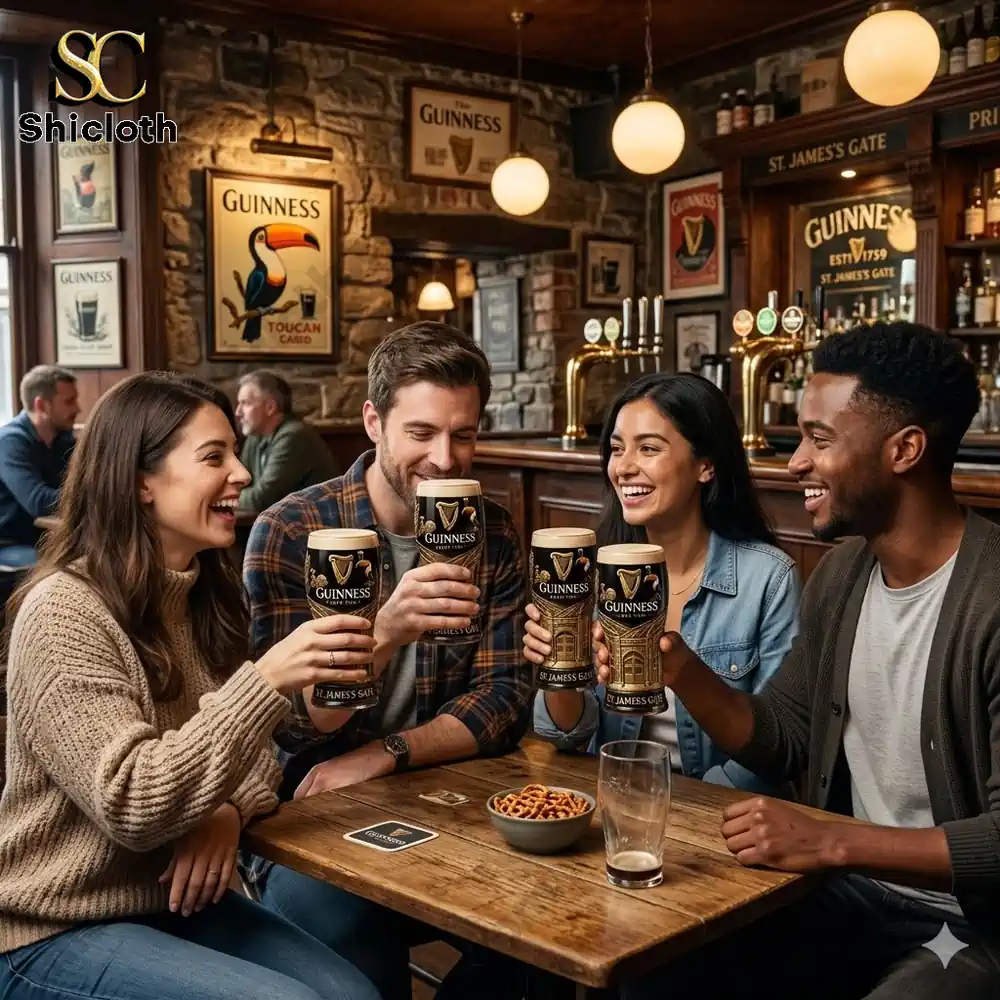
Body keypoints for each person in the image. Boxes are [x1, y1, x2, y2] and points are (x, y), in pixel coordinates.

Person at [604, 323, 1000, 999]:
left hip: (964, 928)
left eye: (819, 440)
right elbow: (781, 737)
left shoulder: (989, 598)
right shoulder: (843, 574)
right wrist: (680, 667)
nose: (794, 463)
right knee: (646, 963)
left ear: (904, 449)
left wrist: (833, 842)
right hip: (846, 897)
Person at [0, 371, 381, 1000]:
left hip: (170, 904)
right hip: (52, 925)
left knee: (353, 995)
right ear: (138, 482)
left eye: (235, 450)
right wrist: (263, 681)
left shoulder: (202, 593)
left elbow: (261, 755)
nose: (242, 474)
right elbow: (134, 800)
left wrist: (226, 809)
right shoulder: (64, 611)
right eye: (214, 457)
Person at [243, 320, 532, 1000]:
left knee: (544, 955)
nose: (446, 458)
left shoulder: (490, 529)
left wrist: (387, 752)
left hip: (452, 802)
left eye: (463, 434)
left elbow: (502, 700)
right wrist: (385, 632)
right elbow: (289, 726)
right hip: (316, 817)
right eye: (422, 433)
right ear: (374, 422)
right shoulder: (293, 529)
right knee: (353, 972)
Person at [527, 372, 800, 793]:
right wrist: (558, 666)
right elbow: (566, 733)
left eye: (649, 448)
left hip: (718, 815)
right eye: (617, 449)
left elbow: (776, 748)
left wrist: (678, 806)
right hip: (613, 799)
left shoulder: (768, 579)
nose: (624, 467)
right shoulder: (595, 575)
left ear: (705, 465)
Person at [0, 365, 78, 568]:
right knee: (66, 568)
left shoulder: (63, 440)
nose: (78, 409)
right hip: (9, 544)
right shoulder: (9, 442)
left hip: (49, 539)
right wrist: (93, 495)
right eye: (69, 402)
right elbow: (38, 501)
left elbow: (85, 481)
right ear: (41, 405)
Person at [235, 369, 339, 514]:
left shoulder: (294, 436)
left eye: (245, 403)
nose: (238, 412)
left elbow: (261, 499)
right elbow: (238, 484)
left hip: (317, 526)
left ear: (270, 407)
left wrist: (224, 498)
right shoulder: (255, 436)